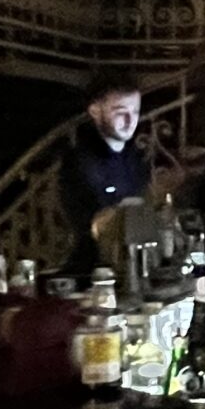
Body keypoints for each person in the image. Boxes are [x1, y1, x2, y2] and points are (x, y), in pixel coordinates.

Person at [59, 70, 151, 275]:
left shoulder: (136, 159)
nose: (130, 121)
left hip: (136, 267)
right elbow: (90, 225)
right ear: (95, 111)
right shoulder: (79, 161)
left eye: (135, 112)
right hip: (93, 272)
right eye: (120, 112)